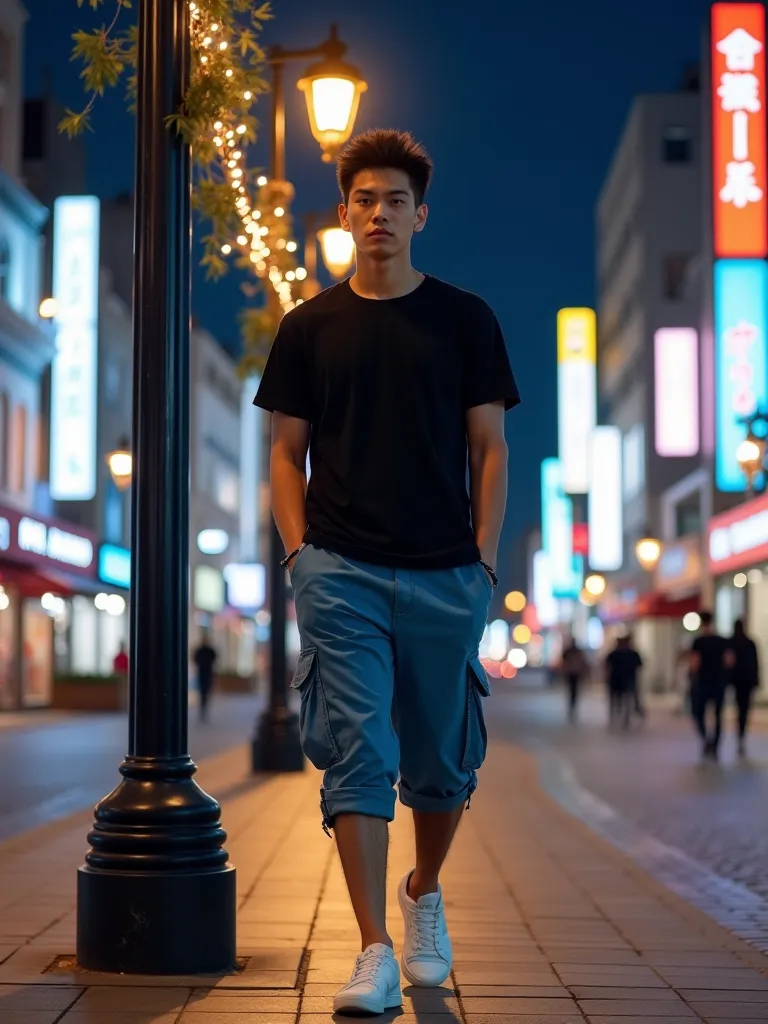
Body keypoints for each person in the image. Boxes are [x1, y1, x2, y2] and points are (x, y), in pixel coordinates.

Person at [254, 129, 519, 1016]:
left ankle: (423, 892)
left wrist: (484, 559)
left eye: (395, 200)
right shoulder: (308, 327)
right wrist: (300, 556)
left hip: (448, 573)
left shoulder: (466, 319)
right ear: (344, 214)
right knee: (360, 755)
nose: (380, 214)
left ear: (420, 216)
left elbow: (490, 449)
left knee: (441, 768)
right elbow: (285, 454)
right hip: (342, 571)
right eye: (364, 199)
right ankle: (371, 949)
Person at [689, 611, 733, 761]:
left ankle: (706, 739)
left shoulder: (698, 641)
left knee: (698, 713)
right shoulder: (721, 641)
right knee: (718, 714)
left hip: (703, 681)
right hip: (718, 681)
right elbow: (729, 661)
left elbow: (695, 663)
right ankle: (715, 743)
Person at [729, 618, 759, 757]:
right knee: (744, 709)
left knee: (740, 707)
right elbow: (755, 664)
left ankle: (740, 732)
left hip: (738, 681)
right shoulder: (749, 643)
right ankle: (741, 732)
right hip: (746, 682)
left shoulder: (732, 643)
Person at [605, 634, 643, 730]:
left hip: (625, 679)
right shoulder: (617, 654)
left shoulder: (630, 654)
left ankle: (624, 717)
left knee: (626, 700)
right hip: (619, 680)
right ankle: (618, 716)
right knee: (619, 699)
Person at [560, 636, 588, 721]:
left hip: (575, 673)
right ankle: (572, 706)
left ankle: (573, 707)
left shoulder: (576, 652)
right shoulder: (569, 652)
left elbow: (583, 662)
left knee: (574, 691)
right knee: (572, 691)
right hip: (571, 673)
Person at [193, 631, 217, 723]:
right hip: (203, 672)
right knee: (203, 690)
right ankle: (203, 705)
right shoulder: (202, 650)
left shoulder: (208, 650)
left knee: (205, 690)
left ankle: (204, 705)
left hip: (206, 672)